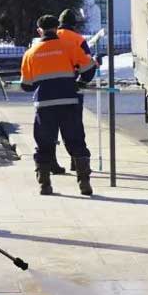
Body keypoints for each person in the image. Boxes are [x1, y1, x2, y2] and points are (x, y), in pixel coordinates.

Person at [20, 14, 97, 196]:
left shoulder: (30, 53)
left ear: (39, 30)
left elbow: (26, 85)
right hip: (69, 102)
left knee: (44, 144)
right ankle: (84, 183)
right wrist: (78, 82)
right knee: (76, 141)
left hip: (44, 105)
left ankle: (45, 184)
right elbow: (88, 69)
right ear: (57, 28)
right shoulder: (69, 46)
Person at [50, 8, 94, 175]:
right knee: (74, 128)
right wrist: (81, 82)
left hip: (48, 91)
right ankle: (77, 162)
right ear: (74, 25)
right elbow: (89, 66)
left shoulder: (50, 37)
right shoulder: (78, 40)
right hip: (71, 90)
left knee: (50, 129)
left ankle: (52, 163)